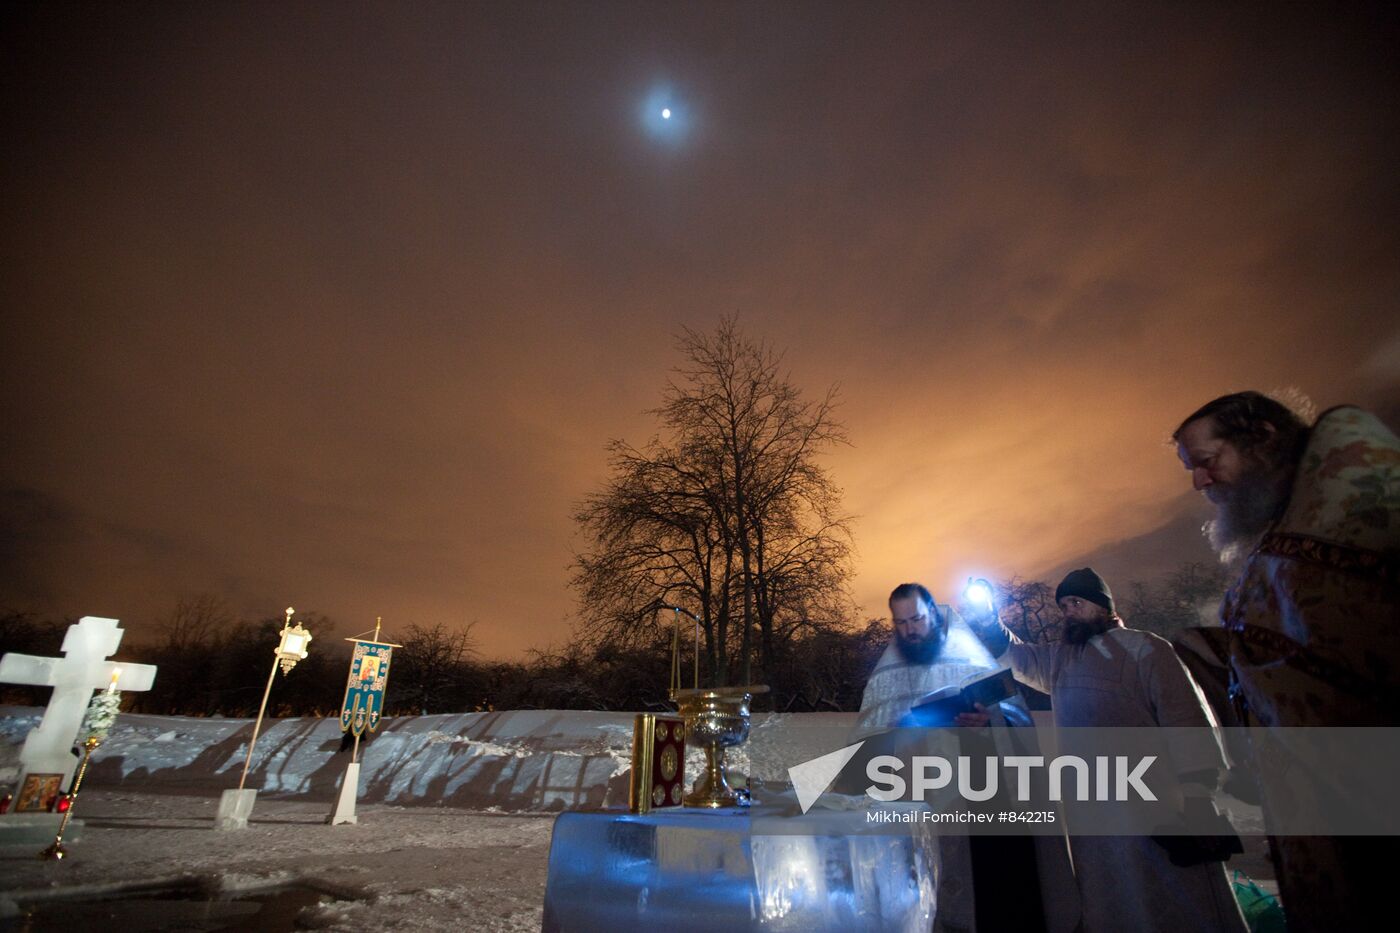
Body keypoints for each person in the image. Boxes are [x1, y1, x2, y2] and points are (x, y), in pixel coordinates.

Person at [1173, 391, 1400, 931]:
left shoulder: (1372, 496)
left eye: (1207, 461)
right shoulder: (1283, 533)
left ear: (1264, 438)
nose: (1199, 483)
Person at [967, 568, 1247, 933]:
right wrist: (989, 622)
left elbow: (1186, 719)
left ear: (1103, 605)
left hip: (1157, 805)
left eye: (1076, 603)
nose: (1067, 612)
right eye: (1063, 605)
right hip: (1094, 812)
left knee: (1176, 904)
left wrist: (1196, 794)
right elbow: (1020, 658)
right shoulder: (1062, 659)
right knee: (1111, 904)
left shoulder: (1147, 648)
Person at [856, 583, 1077, 933]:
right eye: (900, 623)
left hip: (992, 802)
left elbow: (1020, 718)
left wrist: (992, 721)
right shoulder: (888, 674)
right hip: (927, 805)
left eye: (916, 619)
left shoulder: (973, 656)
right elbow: (870, 738)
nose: (910, 630)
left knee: (1004, 900)